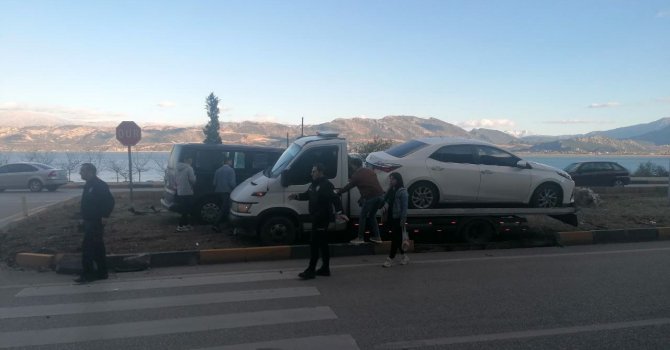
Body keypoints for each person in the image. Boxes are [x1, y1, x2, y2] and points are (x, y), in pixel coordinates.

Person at [289, 163, 347, 280]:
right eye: (312, 171)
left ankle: (311, 270)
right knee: (323, 244)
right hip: (315, 218)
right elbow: (307, 195)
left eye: (314, 171)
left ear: (320, 172)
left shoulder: (327, 185)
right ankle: (325, 269)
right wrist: (296, 196)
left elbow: (335, 198)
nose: (312, 173)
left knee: (314, 244)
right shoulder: (313, 185)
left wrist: (340, 213)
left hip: (322, 219)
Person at [75, 163, 114, 283]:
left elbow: (109, 201)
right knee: (97, 247)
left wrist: (105, 216)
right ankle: (102, 272)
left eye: (82, 171)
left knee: (88, 247)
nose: (80, 173)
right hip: (88, 220)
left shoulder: (99, 185)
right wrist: (82, 217)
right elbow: (86, 203)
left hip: (96, 221)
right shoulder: (88, 185)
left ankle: (88, 274)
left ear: (90, 172)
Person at [336, 157, 385, 244]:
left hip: (371, 198)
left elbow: (349, 186)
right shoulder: (370, 171)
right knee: (372, 216)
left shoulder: (356, 175)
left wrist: (338, 192)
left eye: (352, 165)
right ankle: (377, 237)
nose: (351, 167)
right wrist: (362, 197)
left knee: (362, 216)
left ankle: (360, 238)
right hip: (380, 196)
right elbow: (369, 186)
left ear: (354, 165)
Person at [381, 172, 409, 267]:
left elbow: (404, 208)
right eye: (390, 179)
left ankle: (390, 259)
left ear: (398, 180)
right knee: (398, 238)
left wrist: (403, 220)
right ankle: (404, 256)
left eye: (393, 179)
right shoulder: (391, 190)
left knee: (395, 238)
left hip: (398, 219)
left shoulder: (403, 192)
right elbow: (384, 199)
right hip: (390, 217)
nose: (391, 180)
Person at [212, 156, 236, 232]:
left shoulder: (217, 170)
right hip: (227, 192)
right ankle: (216, 224)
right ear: (228, 161)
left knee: (222, 208)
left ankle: (225, 224)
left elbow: (214, 183)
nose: (231, 163)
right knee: (225, 209)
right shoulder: (231, 170)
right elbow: (232, 183)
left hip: (218, 192)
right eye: (231, 161)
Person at [175, 155, 196, 231]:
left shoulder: (177, 168)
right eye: (190, 160)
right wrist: (195, 177)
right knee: (186, 209)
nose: (191, 161)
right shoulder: (189, 168)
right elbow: (192, 180)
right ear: (186, 160)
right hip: (187, 191)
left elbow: (175, 178)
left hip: (180, 190)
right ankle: (180, 226)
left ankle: (186, 225)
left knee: (184, 208)